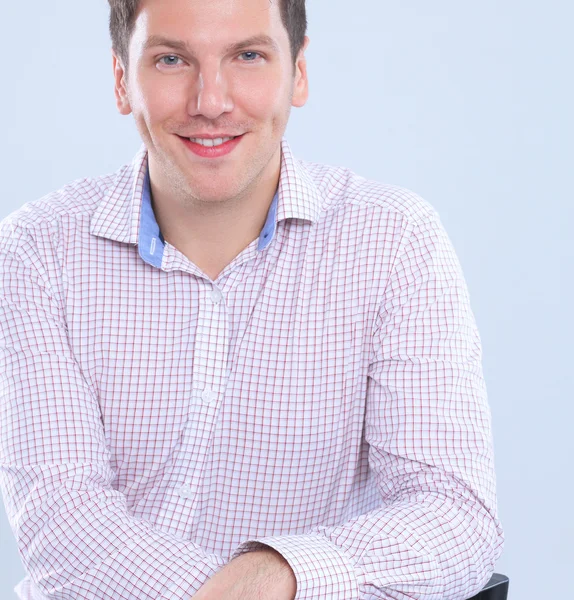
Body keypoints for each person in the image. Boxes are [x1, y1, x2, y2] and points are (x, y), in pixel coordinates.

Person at [0, 0, 504, 598]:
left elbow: (454, 516)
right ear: (120, 80)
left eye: (247, 55)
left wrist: (284, 575)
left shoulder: (395, 242)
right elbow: (63, 524)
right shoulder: (34, 252)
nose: (211, 101)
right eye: (170, 59)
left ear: (298, 72)